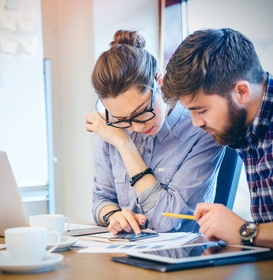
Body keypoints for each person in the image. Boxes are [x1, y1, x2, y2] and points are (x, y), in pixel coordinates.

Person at [162, 27, 273, 252]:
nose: (196, 123)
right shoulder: (244, 123)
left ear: (242, 92)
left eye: (202, 110)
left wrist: (244, 231)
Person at [85, 30, 224, 235]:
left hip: (184, 258)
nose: (137, 127)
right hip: (127, 253)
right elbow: (101, 200)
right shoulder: (112, 126)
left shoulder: (201, 129)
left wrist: (125, 144)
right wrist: (113, 215)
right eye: (123, 120)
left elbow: (165, 220)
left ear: (159, 81)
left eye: (142, 112)